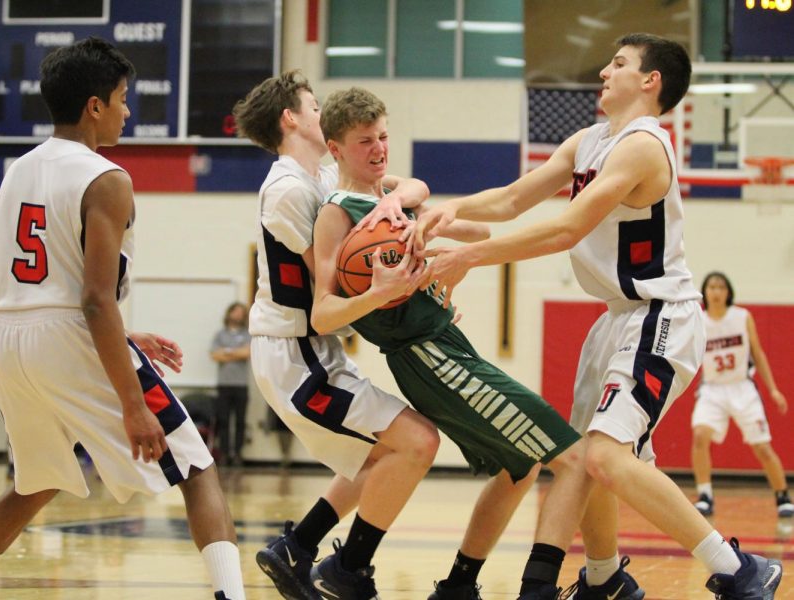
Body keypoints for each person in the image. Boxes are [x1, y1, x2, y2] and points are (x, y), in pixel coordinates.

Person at [413, 33, 783, 599]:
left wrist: (471, 255)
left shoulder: (642, 145)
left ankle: (737, 568)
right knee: (586, 458)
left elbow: (567, 228)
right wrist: (451, 210)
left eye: (618, 64)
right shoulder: (589, 140)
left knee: (607, 456)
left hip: (660, 314)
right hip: (616, 318)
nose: (604, 73)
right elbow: (514, 199)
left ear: (650, 80)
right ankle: (605, 577)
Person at [0, 37, 245, 600]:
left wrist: (122, 334)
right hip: (70, 333)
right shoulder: (107, 178)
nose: (128, 111)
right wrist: (131, 405)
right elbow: (95, 300)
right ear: (94, 105)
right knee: (197, 468)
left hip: (13, 338)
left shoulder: (16, 171)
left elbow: (44, 281)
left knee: (35, 482)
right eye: (122, 99)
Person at [312, 86, 591, 600]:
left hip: (447, 341)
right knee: (569, 454)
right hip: (425, 353)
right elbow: (323, 313)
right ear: (334, 149)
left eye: (383, 137)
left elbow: (478, 237)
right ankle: (537, 588)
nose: (378, 150)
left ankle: (459, 585)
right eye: (363, 142)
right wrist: (378, 293)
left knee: (522, 465)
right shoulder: (337, 214)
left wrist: (422, 231)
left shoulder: (386, 198)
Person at [234, 71, 440, 600]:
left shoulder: (323, 175)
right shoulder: (286, 189)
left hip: (312, 347)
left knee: (380, 458)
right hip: (293, 350)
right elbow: (335, 281)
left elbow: (409, 187)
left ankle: (298, 548)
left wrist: (396, 202)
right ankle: (348, 569)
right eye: (314, 103)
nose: (322, 108)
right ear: (291, 118)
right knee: (415, 443)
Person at [691, 271, 792, 518]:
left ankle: (782, 496)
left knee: (762, 448)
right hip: (712, 389)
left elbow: (758, 354)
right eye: (711, 287)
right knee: (700, 435)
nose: (715, 291)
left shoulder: (742, 316)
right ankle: (705, 494)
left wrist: (773, 390)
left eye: (720, 286)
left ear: (728, 292)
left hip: (742, 387)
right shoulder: (699, 321)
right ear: (705, 292)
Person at [210, 302, 252, 466]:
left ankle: (238, 455)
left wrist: (226, 352)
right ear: (229, 313)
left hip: (241, 385)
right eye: (236, 312)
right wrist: (236, 352)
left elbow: (247, 353)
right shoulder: (219, 335)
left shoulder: (247, 334)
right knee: (224, 420)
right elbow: (215, 355)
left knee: (240, 421)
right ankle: (225, 454)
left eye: (242, 312)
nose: (238, 315)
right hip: (224, 384)